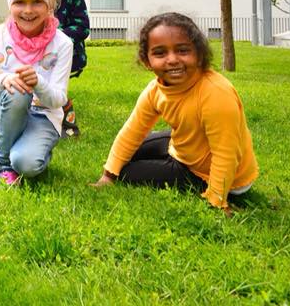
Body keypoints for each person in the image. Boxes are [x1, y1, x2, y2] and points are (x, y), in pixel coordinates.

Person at [92, 13, 258, 215]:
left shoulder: (215, 93)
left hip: (209, 174)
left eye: (182, 50)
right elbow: (132, 131)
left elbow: (226, 153)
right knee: (124, 158)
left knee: (127, 172)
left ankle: (206, 187)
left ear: (199, 54)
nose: (172, 60)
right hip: (185, 148)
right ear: (147, 61)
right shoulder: (156, 89)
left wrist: (217, 199)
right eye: (160, 53)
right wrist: (108, 176)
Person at [0, 0, 72, 187]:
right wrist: (5, 79)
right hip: (4, 112)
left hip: (44, 116)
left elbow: (59, 99)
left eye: (37, 2)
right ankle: (1, 164)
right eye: (20, 2)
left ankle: (31, 151)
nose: (28, 10)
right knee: (17, 89)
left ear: (49, 2)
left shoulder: (62, 44)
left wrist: (39, 82)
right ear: (10, 3)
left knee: (26, 164)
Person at [30, 0, 89, 138]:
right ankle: (36, 121)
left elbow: (83, 27)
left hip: (65, 56)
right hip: (33, 55)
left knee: (57, 89)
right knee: (36, 88)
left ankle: (69, 126)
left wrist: (56, 37)